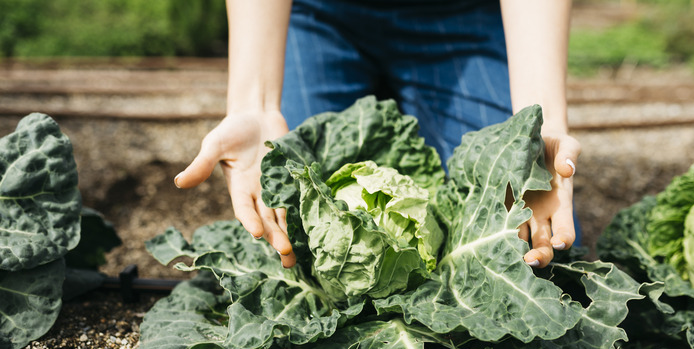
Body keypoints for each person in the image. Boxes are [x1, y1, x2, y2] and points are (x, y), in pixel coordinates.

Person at [174, 0, 581, 270]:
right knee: (291, 231)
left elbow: (530, 141)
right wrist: (255, 105)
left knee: (518, 245)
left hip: (461, 14)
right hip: (319, 14)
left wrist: (535, 128)